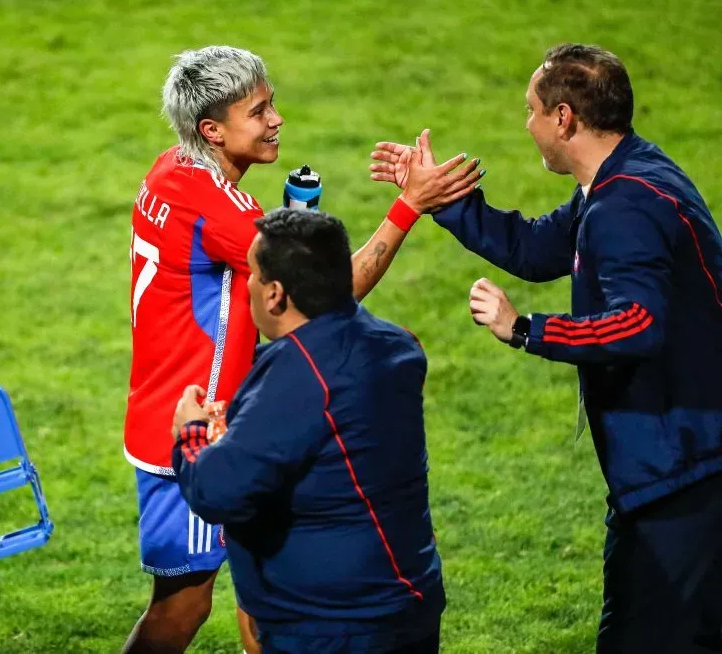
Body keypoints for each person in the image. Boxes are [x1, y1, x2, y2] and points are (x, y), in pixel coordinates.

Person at [123, 45, 479, 653]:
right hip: (192, 422)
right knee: (182, 605)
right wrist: (409, 204)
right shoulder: (218, 203)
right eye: (258, 111)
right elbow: (325, 297)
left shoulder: (172, 172)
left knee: (262, 592)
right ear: (211, 130)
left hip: (207, 405)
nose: (276, 119)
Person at [375, 43, 722, 652]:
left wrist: (525, 329)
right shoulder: (624, 175)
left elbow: (638, 325)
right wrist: (437, 198)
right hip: (686, 457)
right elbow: (537, 250)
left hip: (686, 469)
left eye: (532, 111)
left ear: (564, 119)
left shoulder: (626, 205)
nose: (527, 125)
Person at [170, 208, 444, 654]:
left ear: (275, 295)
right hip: (407, 602)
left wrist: (192, 434)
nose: (248, 287)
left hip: (334, 627)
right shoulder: (396, 345)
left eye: (254, 276)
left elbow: (218, 490)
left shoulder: (301, 377)